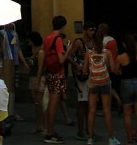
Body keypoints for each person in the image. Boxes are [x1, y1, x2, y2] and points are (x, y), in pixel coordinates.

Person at [42, 15, 74, 144]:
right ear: (63, 26)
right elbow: (61, 60)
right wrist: (69, 49)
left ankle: (49, 131)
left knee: (51, 103)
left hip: (49, 72)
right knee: (53, 104)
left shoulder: (47, 38)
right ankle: (49, 133)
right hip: (57, 73)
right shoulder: (58, 39)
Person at [84, 27, 119, 145]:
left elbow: (85, 70)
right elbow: (112, 69)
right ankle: (111, 138)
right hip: (105, 82)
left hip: (93, 83)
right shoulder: (107, 53)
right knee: (107, 111)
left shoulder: (88, 54)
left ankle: (90, 138)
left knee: (92, 111)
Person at [117, 34, 137, 145]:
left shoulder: (121, 57)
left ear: (124, 44)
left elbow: (116, 70)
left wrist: (121, 71)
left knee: (127, 113)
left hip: (126, 83)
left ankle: (129, 139)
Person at [69, 22, 96, 140]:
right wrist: (77, 66)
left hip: (92, 75)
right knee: (82, 102)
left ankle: (89, 129)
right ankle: (81, 130)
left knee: (90, 103)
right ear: (85, 30)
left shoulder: (94, 43)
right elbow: (68, 56)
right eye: (90, 30)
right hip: (82, 76)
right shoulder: (79, 42)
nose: (92, 32)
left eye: (94, 30)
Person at [0, 23, 28, 122]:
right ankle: (6, 112)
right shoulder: (2, 33)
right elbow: (0, 48)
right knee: (4, 87)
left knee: (12, 87)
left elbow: (17, 48)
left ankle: (11, 111)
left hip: (13, 63)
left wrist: (23, 62)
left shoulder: (15, 34)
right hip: (4, 63)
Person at [29, 30, 47, 135]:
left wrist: (37, 81)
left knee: (41, 104)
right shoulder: (35, 50)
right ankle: (39, 125)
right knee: (37, 104)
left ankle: (45, 126)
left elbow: (41, 68)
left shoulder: (40, 51)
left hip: (38, 78)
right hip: (33, 77)